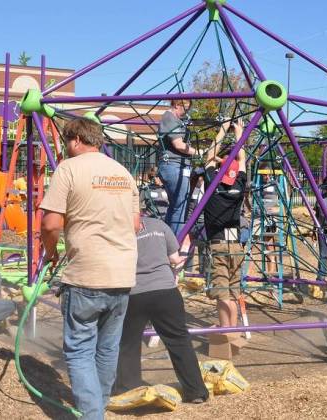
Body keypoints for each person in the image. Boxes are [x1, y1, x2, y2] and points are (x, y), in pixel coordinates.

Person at [40, 117, 140, 419]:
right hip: (122, 274)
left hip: (86, 273)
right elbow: (135, 225)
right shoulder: (123, 173)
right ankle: (99, 405)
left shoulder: (69, 169)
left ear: (75, 140)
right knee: (107, 349)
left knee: (80, 350)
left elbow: (51, 223)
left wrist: (51, 253)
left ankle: (92, 414)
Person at [115, 216, 209, 403]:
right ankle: (196, 390)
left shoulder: (118, 228)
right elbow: (174, 258)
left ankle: (130, 390)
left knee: (128, 343)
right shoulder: (158, 225)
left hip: (135, 292)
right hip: (166, 291)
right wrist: (176, 265)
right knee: (179, 340)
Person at [203, 119, 247, 332]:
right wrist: (240, 133)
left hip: (219, 244)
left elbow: (210, 155)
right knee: (233, 291)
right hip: (235, 244)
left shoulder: (212, 184)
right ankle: (233, 329)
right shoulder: (239, 185)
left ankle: (225, 331)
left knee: (222, 293)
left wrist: (223, 129)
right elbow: (243, 159)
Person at [158, 99, 198, 235]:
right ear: (177, 105)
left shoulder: (176, 120)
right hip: (173, 166)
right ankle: (176, 241)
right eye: (185, 108)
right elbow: (178, 144)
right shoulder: (169, 117)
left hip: (176, 166)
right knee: (180, 207)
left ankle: (169, 239)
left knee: (176, 206)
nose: (186, 112)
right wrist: (198, 152)